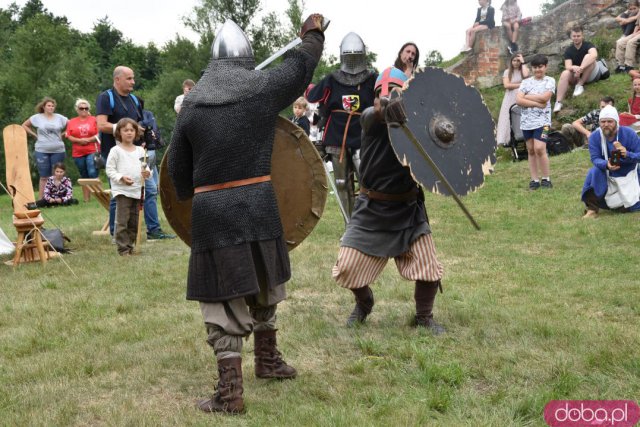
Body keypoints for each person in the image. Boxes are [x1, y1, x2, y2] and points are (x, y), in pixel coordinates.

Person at [167, 16, 325, 414]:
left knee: (223, 300)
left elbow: (177, 177)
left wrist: (191, 194)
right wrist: (313, 33)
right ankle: (257, 369)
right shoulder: (262, 88)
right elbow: (302, 64)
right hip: (258, 203)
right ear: (247, 58)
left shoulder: (192, 105)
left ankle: (237, 386)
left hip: (212, 211)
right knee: (263, 283)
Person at [332, 66, 445, 334]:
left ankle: (424, 316)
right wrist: (384, 109)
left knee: (429, 267)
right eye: (380, 94)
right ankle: (364, 302)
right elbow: (372, 116)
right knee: (346, 266)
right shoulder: (370, 121)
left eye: (394, 92)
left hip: (408, 209)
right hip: (371, 209)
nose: (385, 97)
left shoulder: (418, 124)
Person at [96, 66, 175, 240]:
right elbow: (101, 125)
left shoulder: (134, 99)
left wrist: (144, 136)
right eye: (129, 78)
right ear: (117, 79)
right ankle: (116, 233)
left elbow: (139, 123)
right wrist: (124, 128)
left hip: (138, 151)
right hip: (116, 153)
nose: (133, 82)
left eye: (133, 78)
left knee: (150, 190)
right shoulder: (105, 98)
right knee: (120, 193)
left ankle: (153, 230)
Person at [306, 32, 377, 222]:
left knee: (367, 182)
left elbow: (383, 98)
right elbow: (312, 97)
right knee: (342, 183)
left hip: (363, 136)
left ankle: (367, 224)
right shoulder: (333, 79)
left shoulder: (372, 78)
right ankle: (350, 225)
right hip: (338, 137)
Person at [581, 105, 640, 218]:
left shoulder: (629, 133)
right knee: (595, 171)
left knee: (630, 207)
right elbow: (595, 158)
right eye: (603, 122)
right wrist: (606, 164)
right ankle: (592, 208)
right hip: (607, 175)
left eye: (610, 121)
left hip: (630, 174)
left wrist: (627, 154)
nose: (606, 124)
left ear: (616, 122)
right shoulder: (594, 137)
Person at [105, 118, 150, 255]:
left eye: (132, 130)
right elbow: (110, 170)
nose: (129, 133)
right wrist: (121, 178)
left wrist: (147, 172)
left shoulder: (140, 151)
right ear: (119, 132)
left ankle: (130, 245)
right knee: (122, 221)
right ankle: (123, 249)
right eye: (126, 130)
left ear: (136, 132)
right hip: (122, 191)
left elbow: (145, 166)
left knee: (134, 221)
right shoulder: (115, 151)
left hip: (137, 190)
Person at [516, 54, 555, 190]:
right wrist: (537, 104)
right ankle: (534, 180)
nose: (538, 70)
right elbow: (519, 100)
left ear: (545, 67)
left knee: (540, 148)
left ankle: (546, 178)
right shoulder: (525, 82)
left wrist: (527, 96)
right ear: (532, 68)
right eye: (535, 67)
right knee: (531, 150)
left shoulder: (549, 81)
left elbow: (546, 98)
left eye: (540, 67)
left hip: (543, 122)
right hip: (526, 122)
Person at [21, 97, 68, 199]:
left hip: (58, 149)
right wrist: (34, 135)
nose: (51, 108)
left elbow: (72, 126)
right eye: (49, 106)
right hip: (41, 149)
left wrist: (64, 134)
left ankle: (57, 197)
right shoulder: (37, 117)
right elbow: (24, 125)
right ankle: (42, 199)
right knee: (44, 175)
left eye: (52, 106)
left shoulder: (60, 118)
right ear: (43, 107)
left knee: (57, 174)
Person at [553, 25, 600, 113]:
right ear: (571, 37)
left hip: (590, 73)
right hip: (576, 75)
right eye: (574, 36)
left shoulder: (588, 45)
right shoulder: (569, 50)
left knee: (588, 57)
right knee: (565, 73)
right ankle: (558, 102)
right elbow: (568, 66)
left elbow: (594, 55)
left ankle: (580, 85)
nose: (576, 38)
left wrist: (581, 68)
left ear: (582, 36)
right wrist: (573, 67)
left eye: (578, 36)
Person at [66, 98, 100, 202]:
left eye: (86, 108)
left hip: (92, 149)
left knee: (92, 171)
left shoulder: (94, 119)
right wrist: (79, 141)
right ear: (77, 109)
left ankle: (99, 196)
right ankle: (87, 199)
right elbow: (68, 135)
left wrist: (89, 139)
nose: (84, 110)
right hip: (78, 152)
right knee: (84, 175)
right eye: (81, 108)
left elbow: (100, 133)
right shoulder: (71, 121)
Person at [496, 52, 529, 147]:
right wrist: (521, 85)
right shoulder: (507, 72)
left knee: (521, 117)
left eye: (518, 61)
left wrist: (523, 62)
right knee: (508, 118)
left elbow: (526, 76)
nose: (516, 62)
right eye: (514, 60)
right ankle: (507, 140)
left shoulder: (523, 69)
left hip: (523, 96)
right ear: (511, 61)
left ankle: (522, 137)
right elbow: (507, 85)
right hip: (510, 97)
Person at [614, 0, 640, 74]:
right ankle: (621, 65)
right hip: (637, 32)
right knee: (619, 42)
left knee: (631, 42)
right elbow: (637, 25)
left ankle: (629, 66)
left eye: (634, 8)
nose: (632, 10)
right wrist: (634, 33)